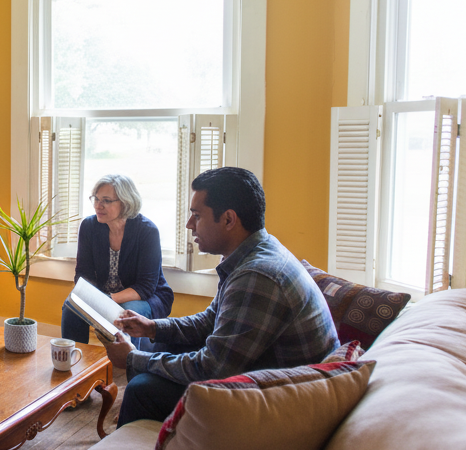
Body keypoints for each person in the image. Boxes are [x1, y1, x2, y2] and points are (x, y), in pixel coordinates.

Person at [107, 167, 337, 427]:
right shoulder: (254, 253)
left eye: (196, 215)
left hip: (281, 405)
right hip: (259, 371)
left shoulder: (257, 276)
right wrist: (152, 327)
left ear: (228, 219)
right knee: (161, 343)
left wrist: (132, 359)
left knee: (141, 389)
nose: (189, 224)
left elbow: (214, 368)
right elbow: (210, 322)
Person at [60, 174, 175, 346]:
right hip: (103, 295)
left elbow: (145, 287)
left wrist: (106, 300)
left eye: (106, 200)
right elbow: (83, 273)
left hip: (145, 297)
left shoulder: (147, 231)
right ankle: (73, 363)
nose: (98, 205)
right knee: (71, 307)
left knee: (130, 313)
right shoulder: (89, 226)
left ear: (125, 203)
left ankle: (134, 366)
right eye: (96, 199)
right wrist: (91, 298)